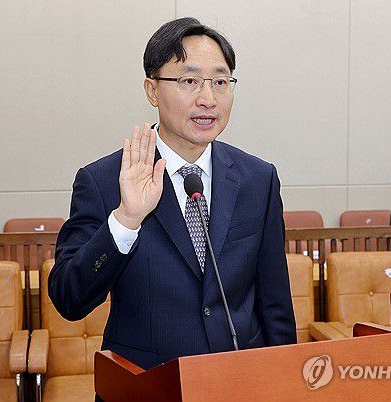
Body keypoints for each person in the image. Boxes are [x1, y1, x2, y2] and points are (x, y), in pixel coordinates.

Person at [48, 17, 296, 374]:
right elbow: (69, 299)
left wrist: (283, 381)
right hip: (147, 384)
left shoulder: (258, 178)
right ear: (152, 90)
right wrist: (126, 220)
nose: (208, 99)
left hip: (239, 380)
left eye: (220, 82)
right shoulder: (103, 181)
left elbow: (275, 304)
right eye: (189, 81)